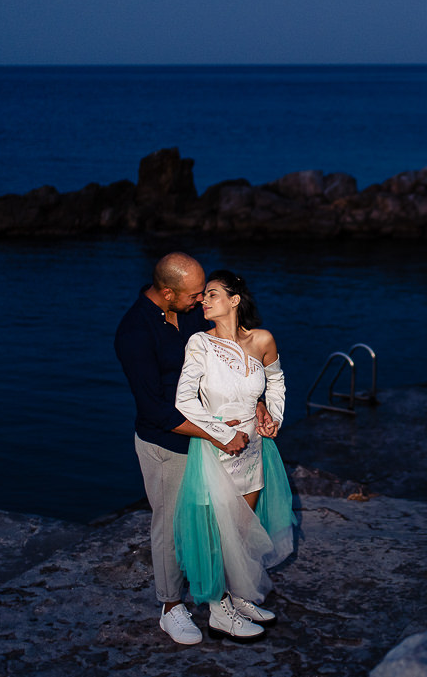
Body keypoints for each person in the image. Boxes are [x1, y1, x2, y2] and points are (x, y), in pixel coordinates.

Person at [114, 252, 252, 646]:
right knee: (172, 524)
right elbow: (155, 410)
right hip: (167, 444)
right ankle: (171, 607)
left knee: (212, 522)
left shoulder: (191, 312)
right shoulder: (134, 332)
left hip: (207, 436)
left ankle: (217, 601)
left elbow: (228, 349)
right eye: (194, 295)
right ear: (168, 292)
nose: (201, 301)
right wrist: (216, 435)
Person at [173, 269, 296, 643]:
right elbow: (183, 400)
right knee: (214, 533)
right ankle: (217, 610)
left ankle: (240, 596)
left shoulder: (262, 339)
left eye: (211, 295)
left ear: (234, 300)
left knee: (242, 530)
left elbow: (275, 380)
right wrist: (223, 433)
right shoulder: (199, 343)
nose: (203, 301)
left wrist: (273, 414)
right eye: (203, 296)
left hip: (256, 449)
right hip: (216, 451)